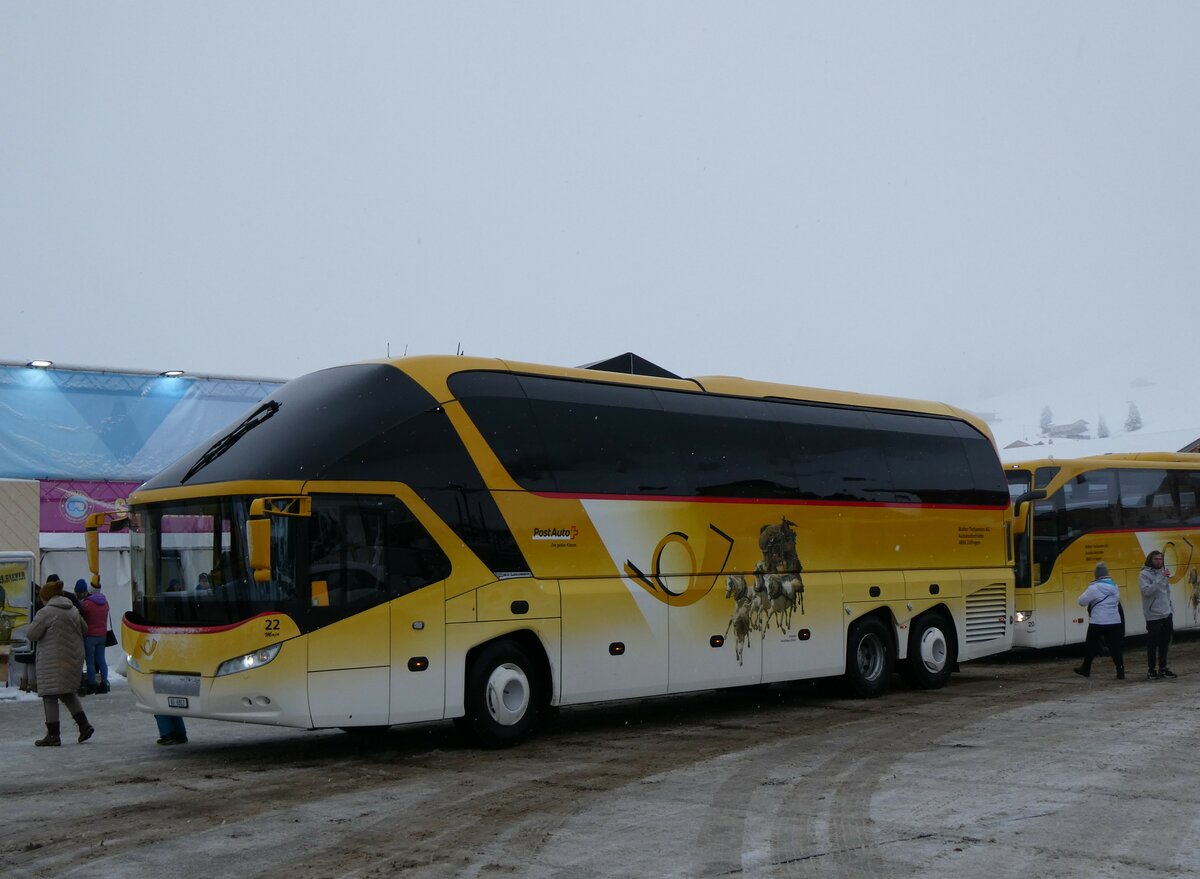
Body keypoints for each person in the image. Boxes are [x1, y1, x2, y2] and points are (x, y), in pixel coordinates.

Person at [26, 576, 94, 745]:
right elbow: (85, 628)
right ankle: (84, 725)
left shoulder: (46, 612)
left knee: (49, 695)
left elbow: (32, 634)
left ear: (46, 596)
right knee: (67, 692)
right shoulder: (72, 609)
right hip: (72, 658)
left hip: (52, 661)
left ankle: (53, 735)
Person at [1075, 561, 1125, 679]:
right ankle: (1120, 670)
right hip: (1114, 621)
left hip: (1098, 622)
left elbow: (1081, 601)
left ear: (1096, 575)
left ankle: (1086, 668)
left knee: (1090, 645)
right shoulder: (1115, 586)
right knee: (1115, 647)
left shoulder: (1094, 588)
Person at [1140, 550, 1175, 679]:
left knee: (1165, 642)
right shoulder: (1144, 574)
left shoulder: (1162, 572)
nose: (1159, 561)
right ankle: (1151, 670)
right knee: (1152, 643)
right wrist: (1160, 578)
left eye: (1160, 559)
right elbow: (1147, 592)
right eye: (1156, 559)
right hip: (1153, 615)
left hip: (1166, 613)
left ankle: (1163, 668)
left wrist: (1170, 607)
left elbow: (1166, 591)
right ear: (1150, 560)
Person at [80, 579, 111, 695]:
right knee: (102, 660)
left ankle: (92, 684)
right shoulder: (105, 602)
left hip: (90, 636)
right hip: (102, 635)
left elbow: (83, 618)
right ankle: (104, 683)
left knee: (90, 662)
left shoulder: (86, 603)